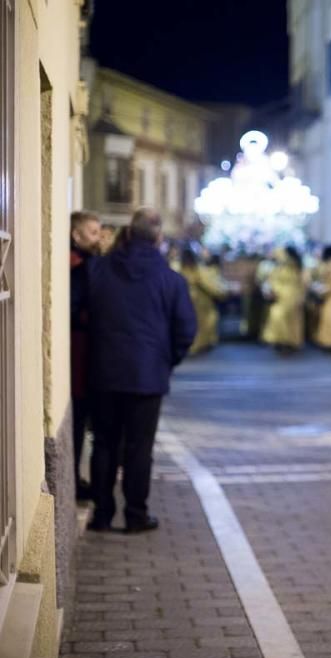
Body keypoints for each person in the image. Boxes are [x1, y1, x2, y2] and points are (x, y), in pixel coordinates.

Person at [86, 208, 196, 532]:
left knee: (104, 443)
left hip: (104, 371)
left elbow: (84, 313)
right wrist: (166, 360)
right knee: (139, 447)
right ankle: (136, 514)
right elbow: (186, 329)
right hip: (147, 377)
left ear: (129, 234)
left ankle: (102, 513)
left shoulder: (100, 270)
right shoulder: (171, 280)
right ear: (159, 238)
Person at [69, 211, 103, 501]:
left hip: (86, 353)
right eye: (92, 232)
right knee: (79, 419)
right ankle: (75, 481)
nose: (98, 237)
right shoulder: (77, 266)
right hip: (79, 355)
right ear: (76, 235)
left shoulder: (89, 264)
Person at [261, 246, 306, 353]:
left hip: (288, 297)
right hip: (287, 296)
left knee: (283, 318)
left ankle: (287, 342)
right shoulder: (289, 266)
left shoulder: (288, 265)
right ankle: (283, 341)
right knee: (283, 318)